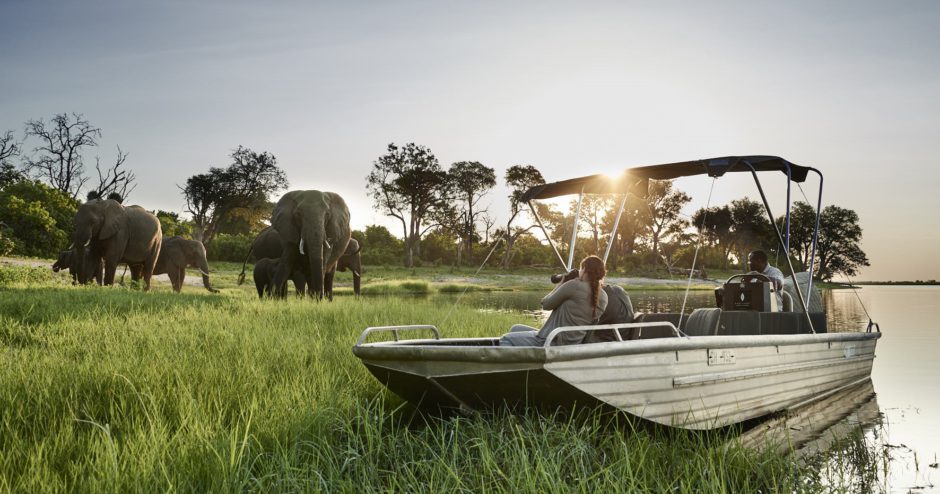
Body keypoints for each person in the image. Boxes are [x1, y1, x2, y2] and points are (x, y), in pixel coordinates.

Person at [499, 255, 609, 347]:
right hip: (573, 342)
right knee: (515, 328)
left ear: (584, 269)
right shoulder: (604, 297)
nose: (579, 271)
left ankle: (522, 370)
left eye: (580, 269)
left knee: (505, 339)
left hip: (552, 340)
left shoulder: (574, 285)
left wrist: (561, 283)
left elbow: (545, 304)